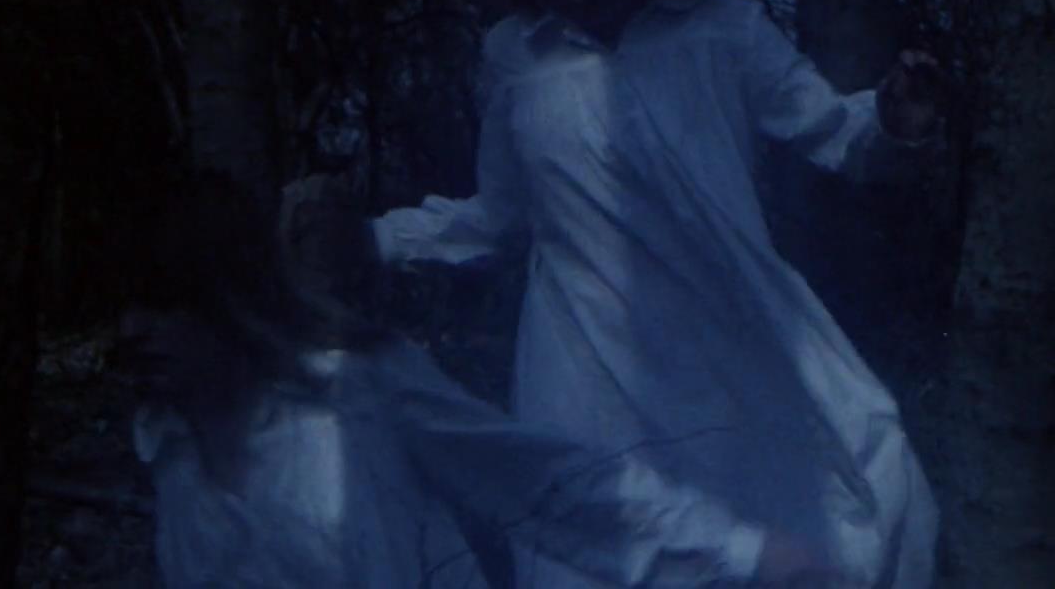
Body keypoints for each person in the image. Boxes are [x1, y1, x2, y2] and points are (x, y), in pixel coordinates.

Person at [364, 0, 941, 588]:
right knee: (604, 547)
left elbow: (832, 130)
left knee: (824, 507)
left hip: (729, 346)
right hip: (585, 369)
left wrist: (893, 119)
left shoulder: (721, 29)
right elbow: (500, 216)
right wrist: (376, 239)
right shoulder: (516, 57)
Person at [120, 172, 863, 588]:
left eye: (164, 304)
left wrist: (739, 553)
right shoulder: (169, 453)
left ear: (230, 302)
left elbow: (547, 483)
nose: (134, 331)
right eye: (123, 307)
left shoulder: (359, 391)